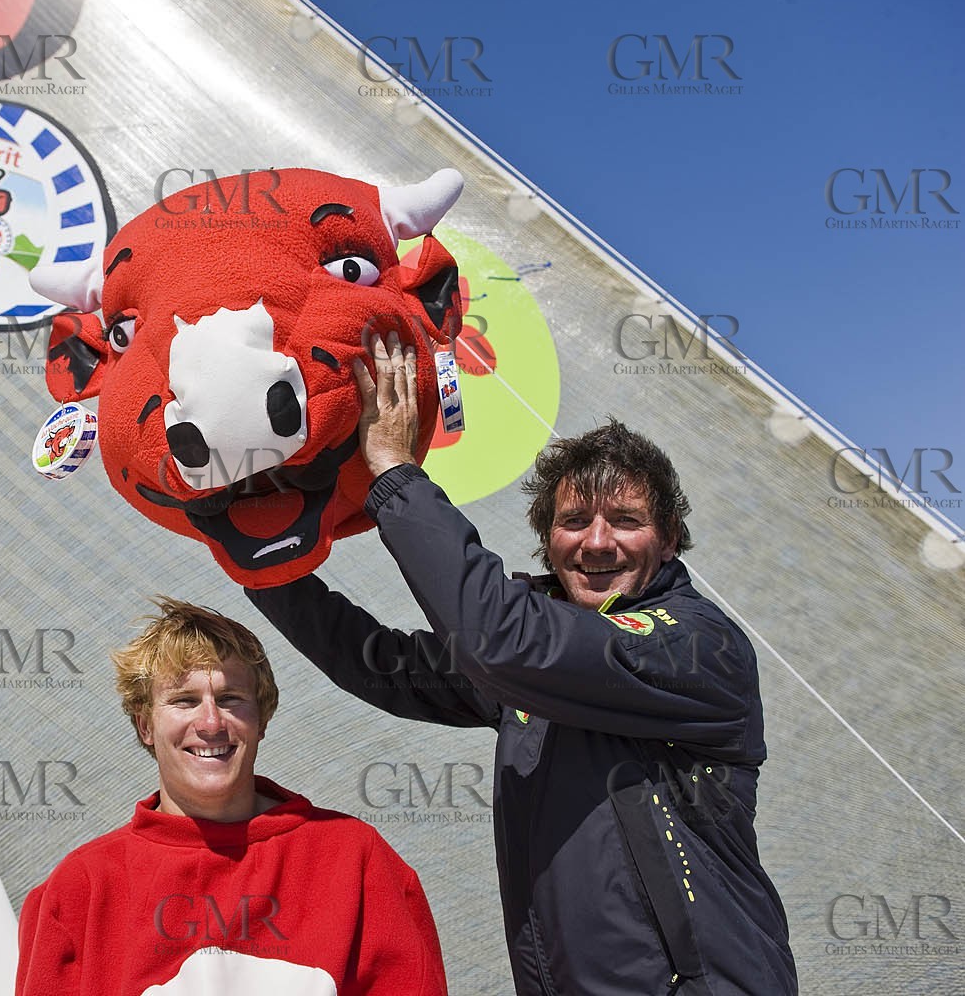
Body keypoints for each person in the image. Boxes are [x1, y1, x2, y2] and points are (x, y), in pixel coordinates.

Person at [244, 332, 798, 995]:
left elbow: (505, 640)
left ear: (669, 538)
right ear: (546, 539)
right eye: (573, 521)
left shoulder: (698, 644)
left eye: (624, 519)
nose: (597, 542)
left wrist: (394, 472)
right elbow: (381, 665)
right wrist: (260, 557)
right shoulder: (530, 665)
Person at [15, 597, 449, 996]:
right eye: (184, 701)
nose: (210, 723)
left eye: (230, 699)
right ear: (145, 725)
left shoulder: (356, 859)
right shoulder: (81, 888)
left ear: (262, 718)